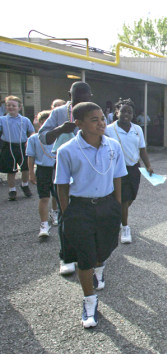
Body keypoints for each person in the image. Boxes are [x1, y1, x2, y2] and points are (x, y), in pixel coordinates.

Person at [54, 102, 127, 328]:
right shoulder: (67, 150)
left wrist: (116, 204)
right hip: (81, 208)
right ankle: (89, 300)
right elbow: (62, 185)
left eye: (102, 119)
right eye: (94, 120)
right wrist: (67, 213)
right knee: (84, 257)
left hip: (107, 207)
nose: (101, 123)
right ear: (79, 124)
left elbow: (118, 176)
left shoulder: (113, 146)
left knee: (103, 249)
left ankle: (99, 266)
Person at [39, 82, 93, 275]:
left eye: (85, 97)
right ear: (69, 95)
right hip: (63, 166)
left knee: (87, 211)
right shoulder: (59, 113)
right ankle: (66, 256)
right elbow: (43, 137)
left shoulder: (92, 111)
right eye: (76, 97)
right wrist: (61, 129)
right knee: (65, 211)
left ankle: (87, 253)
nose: (81, 101)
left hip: (88, 167)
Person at [105, 98, 154, 244]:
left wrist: (148, 166)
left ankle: (118, 216)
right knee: (124, 200)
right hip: (116, 170)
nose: (126, 114)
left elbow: (142, 150)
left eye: (130, 112)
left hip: (134, 168)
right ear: (116, 112)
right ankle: (125, 227)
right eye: (123, 111)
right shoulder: (108, 130)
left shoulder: (137, 129)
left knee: (131, 197)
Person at [27, 110, 59, 238]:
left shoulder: (58, 137)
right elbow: (31, 156)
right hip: (42, 169)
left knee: (57, 196)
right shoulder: (34, 138)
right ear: (39, 123)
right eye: (43, 122)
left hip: (57, 168)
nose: (45, 124)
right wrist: (31, 173)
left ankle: (56, 213)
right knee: (44, 197)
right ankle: (44, 224)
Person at [0, 95, 35, 201]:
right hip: (8, 145)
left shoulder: (25, 120)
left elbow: (32, 132)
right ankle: (12, 190)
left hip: (22, 145)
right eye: (8, 105)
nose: (11, 107)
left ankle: (24, 185)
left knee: (25, 168)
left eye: (13, 105)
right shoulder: (2, 119)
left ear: (19, 107)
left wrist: (30, 140)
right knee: (11, 170)